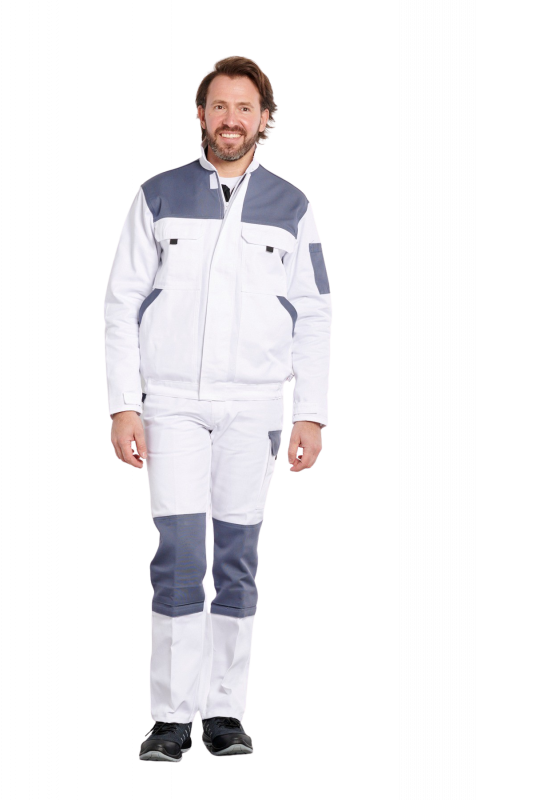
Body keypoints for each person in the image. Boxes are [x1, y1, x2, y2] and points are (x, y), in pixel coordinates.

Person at [103, 55, 333, 762]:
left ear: (266, 122)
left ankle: (226, 712)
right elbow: (120, 303)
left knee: (237, 557)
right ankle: (171, 717)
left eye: (246, 108)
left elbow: (314, 313)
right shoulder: (157, 195)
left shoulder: (292, 207)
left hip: (255, 408)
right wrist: (124, 404)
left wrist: (310, 412)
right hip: (170, 404)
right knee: (177, 553)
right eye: (220, 106)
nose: (232, 120)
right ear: (200, 115)